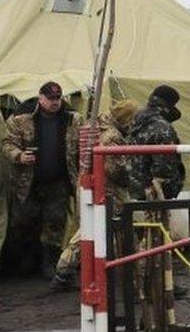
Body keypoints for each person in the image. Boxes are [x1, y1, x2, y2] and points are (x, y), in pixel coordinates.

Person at [50, 99, 140, 291]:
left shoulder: (98, 124)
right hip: (108, 190)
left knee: (90, 228)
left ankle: (63, 270)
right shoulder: (112, 136)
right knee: (114, 230)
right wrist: (132, 177)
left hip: (91, 184)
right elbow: (116, 169)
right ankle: (134, 277)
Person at [1, 81, 81, 279]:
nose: (55, 102)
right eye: (51, 98)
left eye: (58, 98)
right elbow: (7, 144)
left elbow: (82, 144)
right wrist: (19, 156)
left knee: (54, 225)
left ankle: (49, 264)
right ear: (40, 98)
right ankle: (25, 263)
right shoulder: (21, 119)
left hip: (58, 180)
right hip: (27, 182)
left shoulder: (72, 120)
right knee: (23, 223)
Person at [129, 85, 186, 201]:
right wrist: (167, 187)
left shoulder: (136, 120)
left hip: (135, 189)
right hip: (155, 193)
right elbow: (164, 165)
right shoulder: (162, 128)